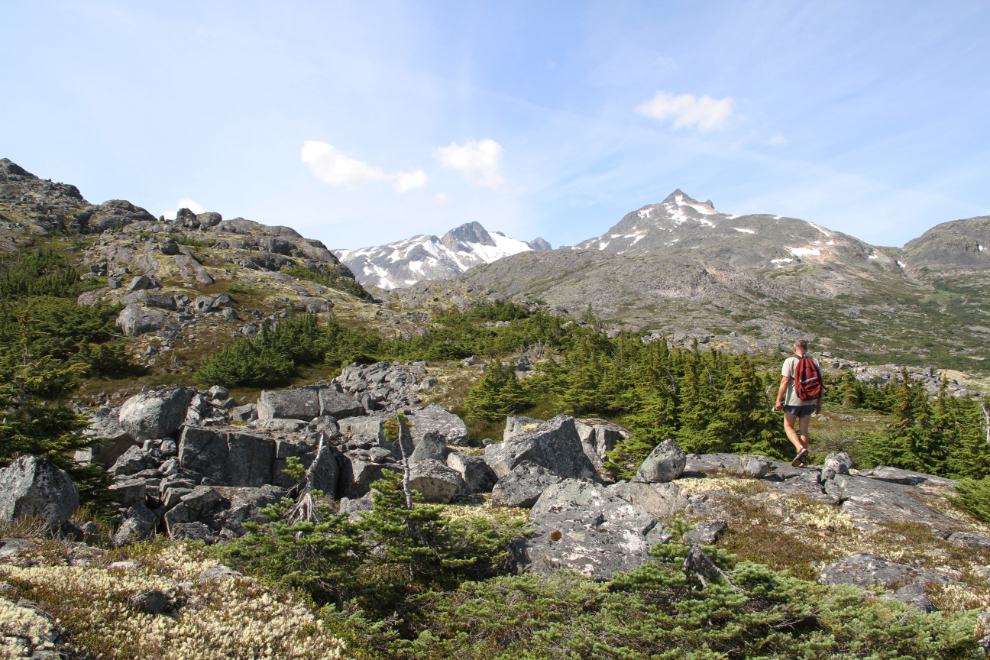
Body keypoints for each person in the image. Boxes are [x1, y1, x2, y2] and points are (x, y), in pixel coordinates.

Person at [774, 339, 822, 467]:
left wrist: (779, 400)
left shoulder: (790, 361)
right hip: (810, 400)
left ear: (795, 348)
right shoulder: (814, 362)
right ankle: (802, 461)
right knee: (804, 431)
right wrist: (819, 403)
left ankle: (800, 449)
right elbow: (820, 383)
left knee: (788, 427)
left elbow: (785, 381)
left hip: (794, 400)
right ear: (806, 348)